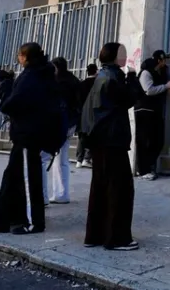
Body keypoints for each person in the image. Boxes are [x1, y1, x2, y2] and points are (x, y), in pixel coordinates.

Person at [0, 42, 60, 235]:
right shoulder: (41, 74)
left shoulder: (31, 76)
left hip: (28, 135)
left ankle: (34, 222)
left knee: (28, 179)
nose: (18, 58)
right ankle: (1, 220)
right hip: (28, 134)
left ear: (24, 57)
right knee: (12, 178)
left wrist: (4, 92)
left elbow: (13, 104)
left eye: (19, 55)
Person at [80, 42, 140, 250]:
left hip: (100, 139)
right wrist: (132, 76)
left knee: (100, 187)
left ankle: (95, 235)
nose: (125, 55)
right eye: (122, 52)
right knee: (119, 189)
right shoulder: (113, 77)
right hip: (111, 139)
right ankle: (117, 238)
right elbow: (131, 98)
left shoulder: (102, 76)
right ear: (114, 56)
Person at [134, 50, 170, 180]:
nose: (166, 62)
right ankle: (143, 170)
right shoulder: (146, 72)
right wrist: (166, 86)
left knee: (158, 140)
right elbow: (149, 90)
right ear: (159, 60)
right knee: (144, 141)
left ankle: (148, 166)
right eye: (164, 60)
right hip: (143, 110)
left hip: (155, 110)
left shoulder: (162, 71)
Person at [40, 56, 80, 204]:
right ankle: (62, 194)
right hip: (70, 124)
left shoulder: (57, 83)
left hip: (58, 125)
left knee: (42, 158)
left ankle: (42, 197)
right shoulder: (73, 80)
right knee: (62, 159)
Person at [76, 63, 98, 167]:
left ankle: (79, 160)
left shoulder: (81, 84)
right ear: (96, 71)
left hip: (82, 113)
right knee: (93, 136)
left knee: (82, 137)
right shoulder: (97, 84)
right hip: (94, 113)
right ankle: (87, 159)